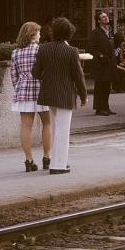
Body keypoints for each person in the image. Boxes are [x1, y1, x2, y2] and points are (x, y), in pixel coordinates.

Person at [32, 17, 87, 175]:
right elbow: (79, 76)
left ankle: (54, 161)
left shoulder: (43, 49)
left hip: (49, 93)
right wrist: (83, 96)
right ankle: (59, 165)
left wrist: (47, 78)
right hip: (65, 94)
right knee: (63, 129)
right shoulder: (71, 51)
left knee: (55, 128)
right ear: (69, 33)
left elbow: (35, 72)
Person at [10, 22, 52, 172]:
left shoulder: (15, 53)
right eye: (39, 32)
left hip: (23, 90)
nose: (40, 35)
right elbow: (46, 71)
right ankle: (47, 157)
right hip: (41, 89)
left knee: (26, 126)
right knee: (46, 123)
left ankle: (28, 160)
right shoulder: (41, 50)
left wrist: (20, 87)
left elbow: (13, 76)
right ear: (33, 34)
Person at [88, 11, 115, 116]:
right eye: (103, 17)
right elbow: (91, 48)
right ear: (99, 21)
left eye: (106, 16)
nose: (106, 18)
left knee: (107, 86)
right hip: (100, 64)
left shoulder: (109, 31)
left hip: (109, 63)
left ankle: (106, 107)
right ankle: (99, 108)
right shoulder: (95, 32)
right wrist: (100, 55)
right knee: (100, 87)